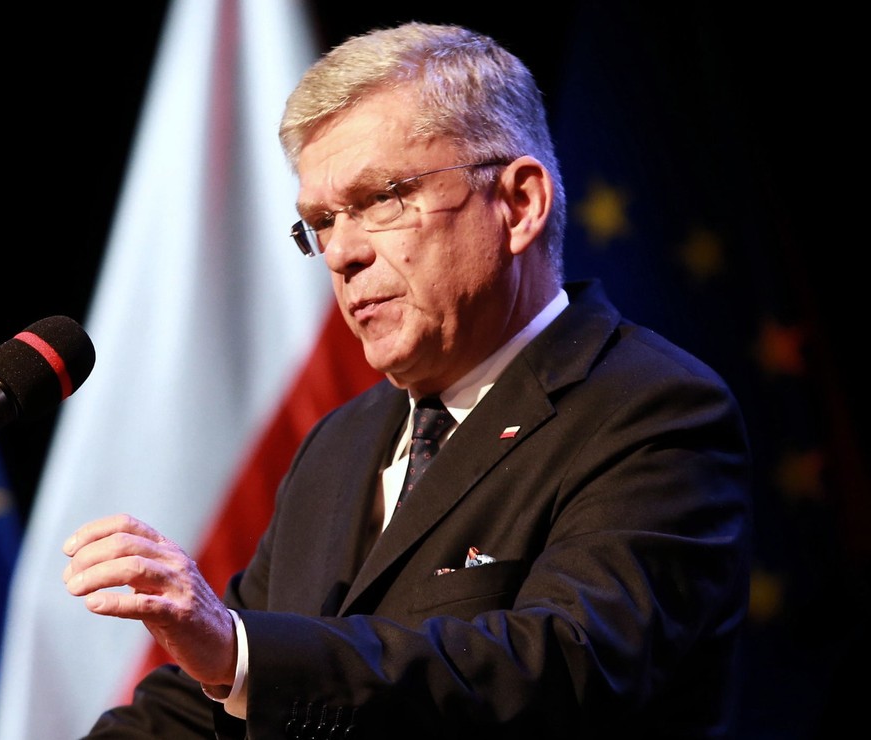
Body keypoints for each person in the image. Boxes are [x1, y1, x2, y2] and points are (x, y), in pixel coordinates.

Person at [61, 21, 752, 739]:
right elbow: (210, 702)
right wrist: (227, 657)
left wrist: (241, 653)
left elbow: (563, 669)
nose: (342, 253)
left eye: (382, 198)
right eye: (322, 221)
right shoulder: (341, 443)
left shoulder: (650, 411)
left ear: (519, 204)